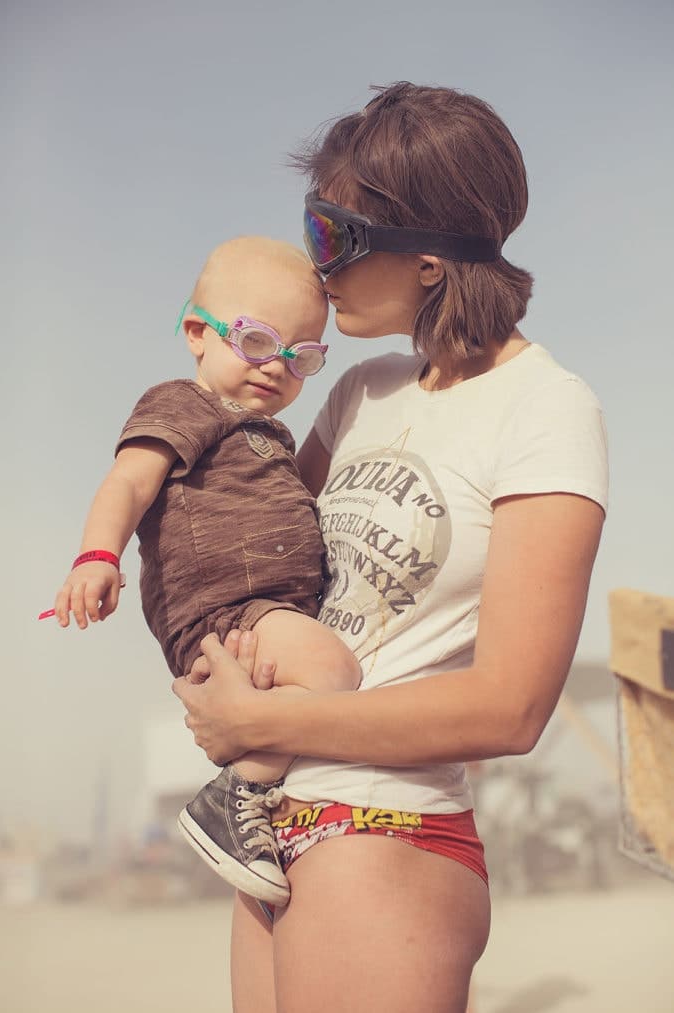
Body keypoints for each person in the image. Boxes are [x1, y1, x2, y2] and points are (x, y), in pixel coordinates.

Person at [173, 82, 608, 1013]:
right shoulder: (359, 390)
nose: (313, 267)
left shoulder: (546, 408)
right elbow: (264, 557)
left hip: (384, 827)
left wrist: (260, 724)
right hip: (267, 822)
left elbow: (511, 705)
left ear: (425, 256)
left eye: (331, 236)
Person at [50, 236, 361, 906]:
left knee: (319, 686)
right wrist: (97, 555)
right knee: (334, 672)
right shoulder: (183, 404)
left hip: (262, 608)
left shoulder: (268, 433)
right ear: (197, 331)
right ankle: (233, 797)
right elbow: (129, 483)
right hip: (223, 606)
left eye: (300, 356)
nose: (274, 367)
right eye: (255, 341)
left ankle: (261, 798)